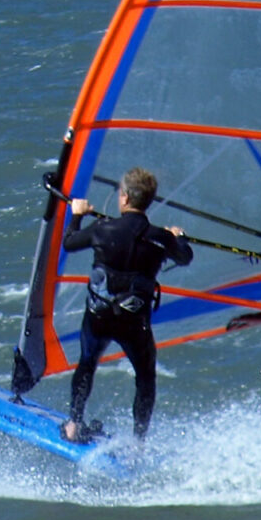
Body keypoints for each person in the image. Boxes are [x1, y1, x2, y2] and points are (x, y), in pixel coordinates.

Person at [59, 166, 192, 443]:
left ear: (124, 197)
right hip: (134, 324)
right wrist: (179, 237)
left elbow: (69, 242)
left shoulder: (102, 229)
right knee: (145, 378)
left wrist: (77, 215)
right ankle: (138, 442)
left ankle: (73, 423)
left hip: (98, 317)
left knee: (87, 363)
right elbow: (185, 257)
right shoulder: (161, 238)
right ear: (148, 200)